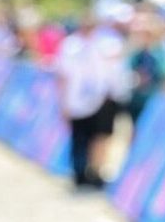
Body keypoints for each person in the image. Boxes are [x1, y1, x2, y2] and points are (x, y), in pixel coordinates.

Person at [55, 13, 130, 189]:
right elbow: (63, 76)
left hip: (102, 100)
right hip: (78, 101)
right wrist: (64, 102)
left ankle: (96, 172)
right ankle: (80, 172)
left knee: (100, 138)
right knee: (81, 138)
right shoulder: (71, 46)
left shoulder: (106, 44)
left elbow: (116, 70)